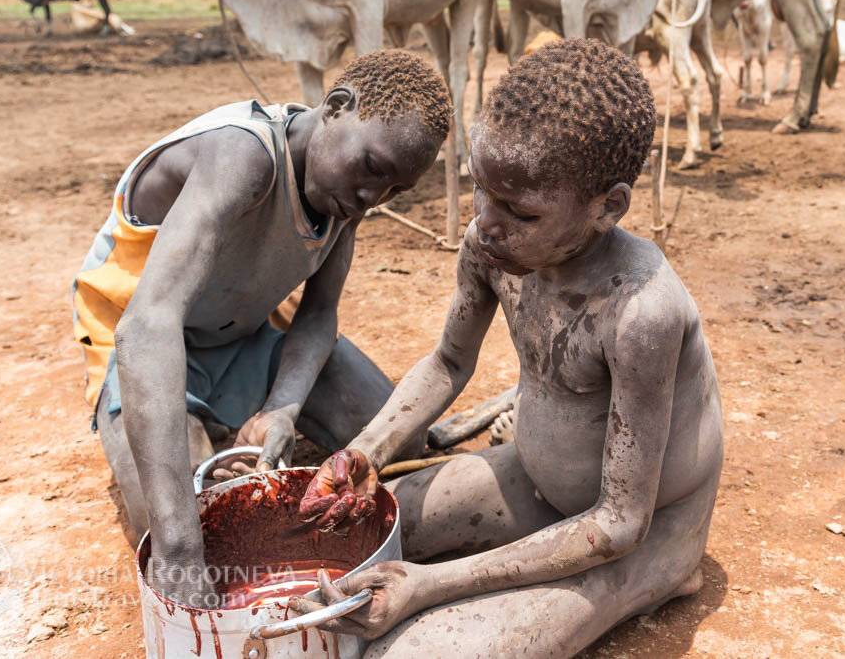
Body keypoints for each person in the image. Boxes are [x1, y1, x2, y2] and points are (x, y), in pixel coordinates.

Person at [296, 40, 725, 655]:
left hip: (642, 530)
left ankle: (670, 575)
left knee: (417, 652)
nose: (486, 222)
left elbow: (619, 520)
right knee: (343, 538)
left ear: (608, 208)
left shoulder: (639, 311)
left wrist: (430, 585)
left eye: (519, 212)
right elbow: (448, 362)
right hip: (533, 479)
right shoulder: (493, 249)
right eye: (481, 190)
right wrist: (367, 451)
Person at [71, 50, 451, 607]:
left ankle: (234, 427)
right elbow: (148, 326)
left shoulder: (342, 198)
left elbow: (319, 317)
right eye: (373, 167)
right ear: (338, 107)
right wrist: (178, 548)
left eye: (395, 189)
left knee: (405, 436)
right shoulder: (243, 155)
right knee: (188, 521)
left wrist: (283, 408)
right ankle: (194, 440)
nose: (375, 198)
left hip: (247, 337)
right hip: (151, 348)